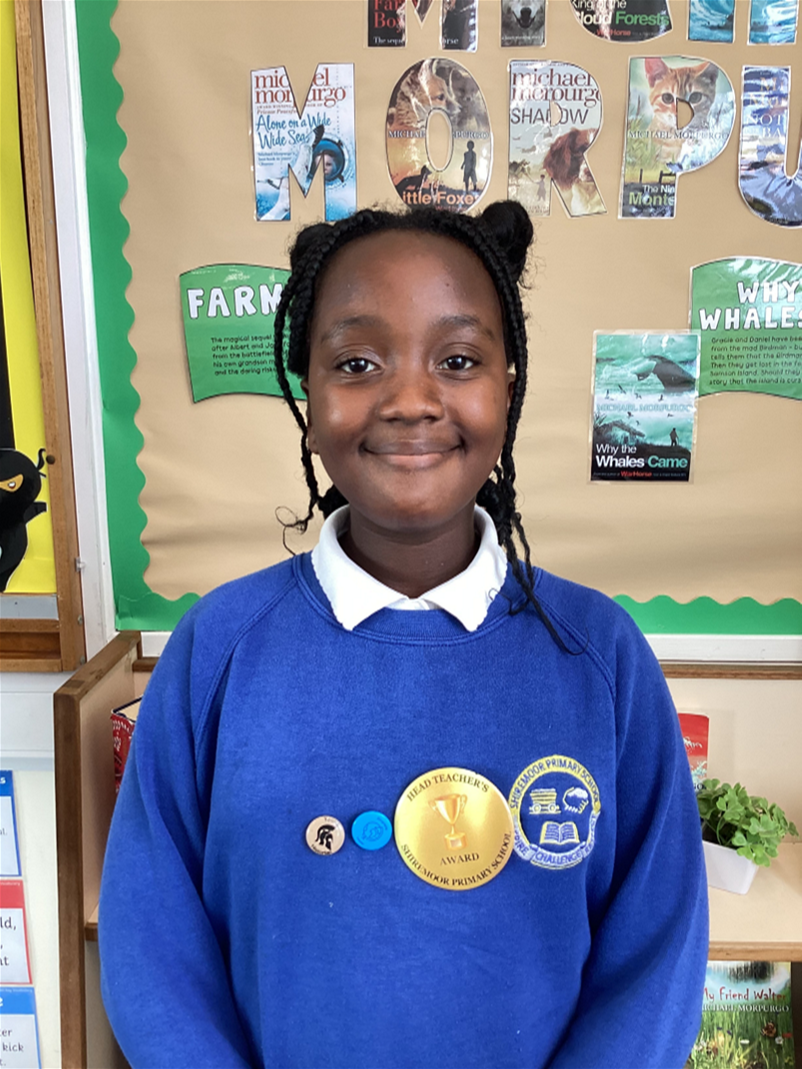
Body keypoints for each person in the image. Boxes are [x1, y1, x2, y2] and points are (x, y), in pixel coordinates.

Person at [99, 201, 708, 1069]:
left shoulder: (599, 656)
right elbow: (152, 948)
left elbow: (657, 960)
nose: (411, 401)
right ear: (308, 399)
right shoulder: (218, 649)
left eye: (457, 360)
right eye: (357, 363)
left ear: (508, 390)